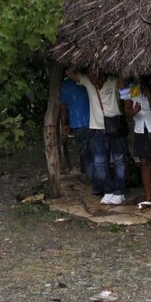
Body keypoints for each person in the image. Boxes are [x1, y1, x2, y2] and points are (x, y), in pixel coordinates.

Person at [65, 69, 128, 205]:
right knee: (99, 163)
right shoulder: (88, 82)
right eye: (90, 74)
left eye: (95, 74)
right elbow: (69, 72)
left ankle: (119, 191)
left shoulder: (113, 82)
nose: (92, 77)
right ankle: (109, 190)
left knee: (119, 160)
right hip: (97, 129)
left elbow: (124, 80)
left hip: (115, 126)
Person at [123, 77, 151, 211]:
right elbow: (126, 110)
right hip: (140, 129)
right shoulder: (133, 89)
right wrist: (134, 111)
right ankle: (149, 198)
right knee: (145, 164)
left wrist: (149, 95)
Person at [59, 76, 97, 195]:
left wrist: (65, 123)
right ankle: (103, 182)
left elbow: (63, 107)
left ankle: (96, 185)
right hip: (95, 121)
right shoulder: (87, 79)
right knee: (98, 153)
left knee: (87, 155)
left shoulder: (65, 85)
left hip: (78, 124)